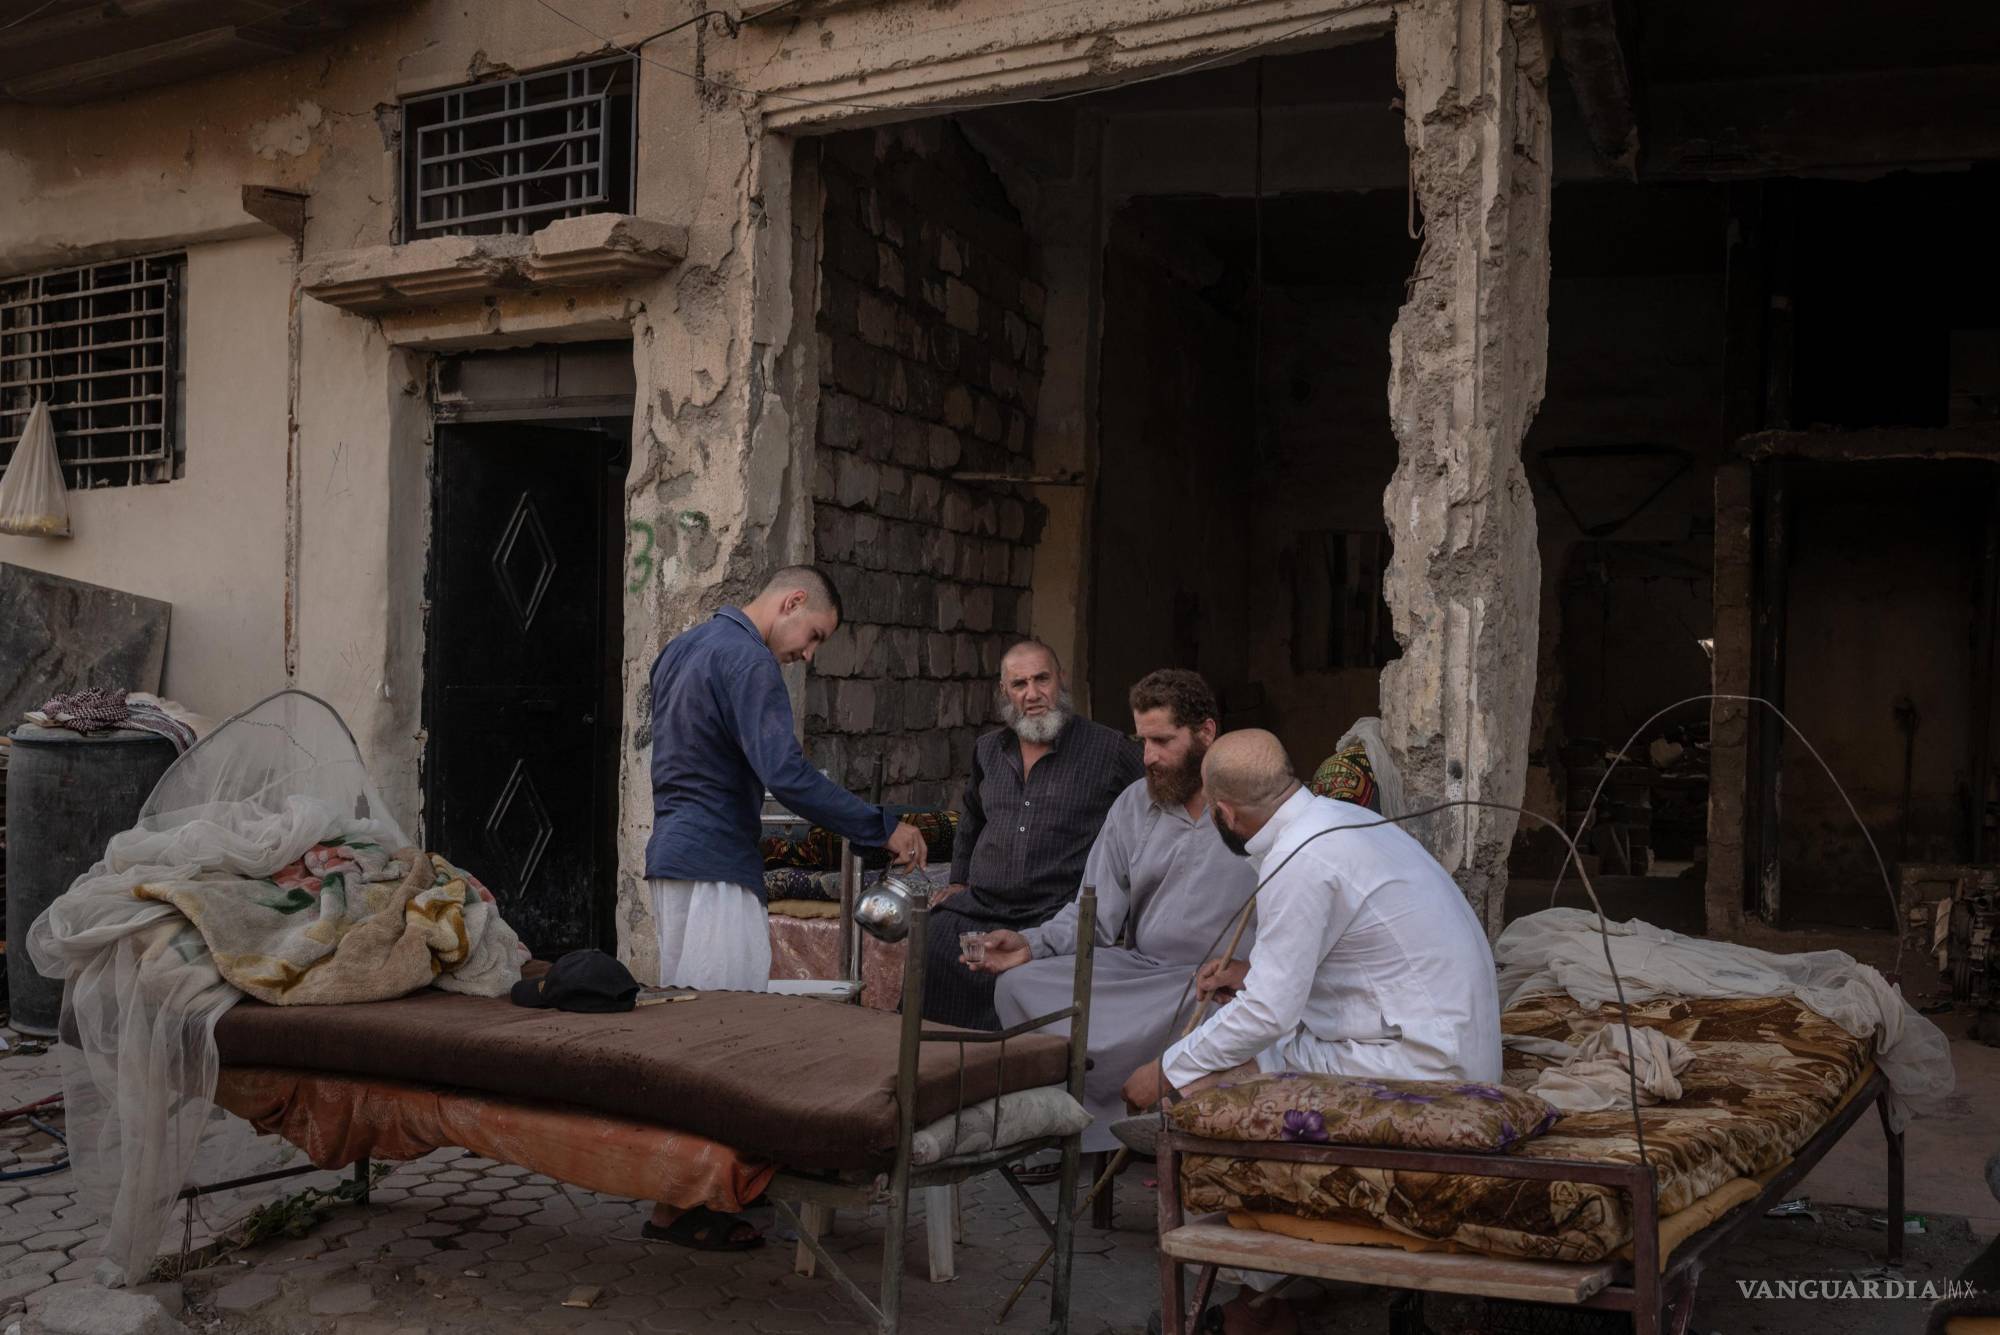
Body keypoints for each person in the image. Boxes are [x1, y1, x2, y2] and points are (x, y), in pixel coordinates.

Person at [1119, 729, 1499, 1335]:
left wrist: (1168, 1068)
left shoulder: (1302, 857)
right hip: (1432, 1036)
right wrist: (1248, 973)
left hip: (1428, 1066)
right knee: (1235, 1040)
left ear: (1224, 812)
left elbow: (1268, 1014)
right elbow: (1336, 965)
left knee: (1204, 1090)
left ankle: (1260, 1294)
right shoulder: (1335, 819)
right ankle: (1274, 1291)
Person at [643, 565, 927, 1249]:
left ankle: (695, 1189)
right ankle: (687, 1204)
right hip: (713, 864)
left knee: (693, 1035)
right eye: (814, 635)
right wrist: (880, 825)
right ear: (792, 600)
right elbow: (786, 773)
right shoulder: (748, 659)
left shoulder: (683, 646)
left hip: (673, 859)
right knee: (723, 1041)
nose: (809, 652)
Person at [970, 669, 1256, 1153]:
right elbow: (1093, 912)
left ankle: (1166, 1132)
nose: (1148, 757)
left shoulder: (1255, 805)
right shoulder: (1133, 805)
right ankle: (1068, 1132)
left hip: (1218, 983)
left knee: (1233, 1017)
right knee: (1018, 985)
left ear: (1206, 733)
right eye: (1141, 741)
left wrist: (1255, 971)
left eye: (1162, 741)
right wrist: (1030, 944)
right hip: (1139, 973)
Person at [925, 640, 1141, 1029]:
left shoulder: (1109, 749)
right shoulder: (988, 749)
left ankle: (1019, 1063)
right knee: (935, 937)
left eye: (1042, 679)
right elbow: (972, 816)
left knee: (1027, 974)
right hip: (985, 903)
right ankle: (943, 1058)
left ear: (1061, 679)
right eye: (1019, 684)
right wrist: (958, 880)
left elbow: (1148, 812)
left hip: (1055, 908)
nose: (1033, 694)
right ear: (1004, 692)